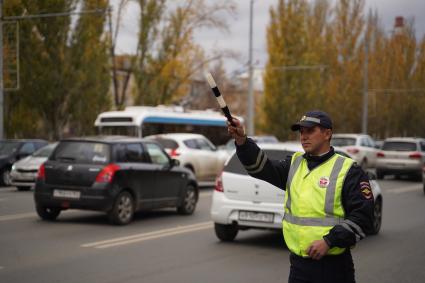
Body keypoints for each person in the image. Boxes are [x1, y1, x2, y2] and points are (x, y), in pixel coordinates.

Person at [227, 110, 374, 283]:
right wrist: (242, 141)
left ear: (327, 134)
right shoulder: (294, 164)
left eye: (310, 131)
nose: (303, 136)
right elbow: (261, 168)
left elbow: (363, 217)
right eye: (301, 132)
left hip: (333, 268)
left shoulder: (348, 170)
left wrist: (329, 241)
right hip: (299, 267)